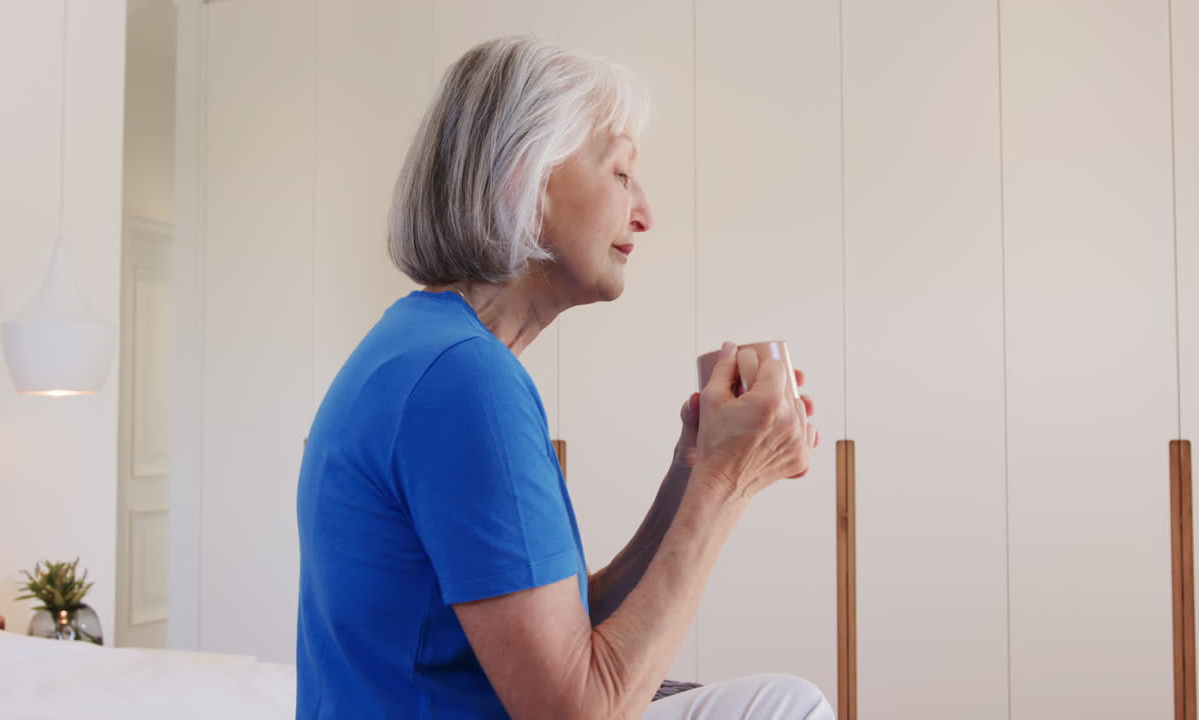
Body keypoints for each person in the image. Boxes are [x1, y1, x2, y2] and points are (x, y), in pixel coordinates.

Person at [296, 35, 830, 719]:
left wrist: (694, 469)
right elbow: (575, 708)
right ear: (524, 177)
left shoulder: (424, 349)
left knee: (785, 700)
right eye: (620, 174)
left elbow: (555, 633)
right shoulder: (465, 383)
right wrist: (727, 486)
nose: (644, 212)